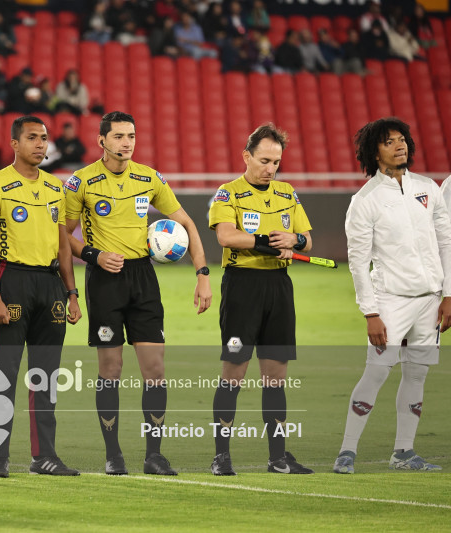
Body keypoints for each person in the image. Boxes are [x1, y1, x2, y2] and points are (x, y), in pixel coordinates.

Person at [64, 111, 212, 476]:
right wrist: (94, 255)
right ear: (102, 141)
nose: (126, 142)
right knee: (111, 370)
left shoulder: (149, 178)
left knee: (155, 370)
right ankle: (113, 453)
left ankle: (154, 455)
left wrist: (203, 274)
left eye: (131, 135)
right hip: (104, 281)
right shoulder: (81, 182)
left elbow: (188, 224)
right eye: (118, 136)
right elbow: (61, 237)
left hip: (143, 278)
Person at [333, 118, 451, 474]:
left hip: (430, 300)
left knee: (417, 375)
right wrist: (371, 312)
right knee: (377, 372)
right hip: (390, 302)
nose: (400, 146)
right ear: (374, 152)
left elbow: (446, 242)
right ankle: (347, 452)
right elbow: (358, 261)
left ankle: (404, 452)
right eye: (389, 141)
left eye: (402, 140)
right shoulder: (365, 200)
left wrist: (448, 294)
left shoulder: (429, 188)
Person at [0, 115, 82, 478]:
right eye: (32, 138)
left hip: (50, 284)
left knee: (46, 378)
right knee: (3, 376)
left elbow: (64, 247)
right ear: (14, 144)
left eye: (44, 138)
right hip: (12, 281)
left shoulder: (57, 188)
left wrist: (72, 293)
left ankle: (44, 457)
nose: (41, 144)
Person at [208, 123, 314, 476]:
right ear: (247, 157)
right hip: (243, 287)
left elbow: (306, 241)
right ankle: (221, 456)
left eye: (276, 162)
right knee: (233, 373)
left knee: (276, 376)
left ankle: (278, 457)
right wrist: (269, 242)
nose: (271, 168)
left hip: (279, 287)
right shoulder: (229, 193)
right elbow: (225, 237)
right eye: (265, 160)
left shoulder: (287, 193)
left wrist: (294, 241)